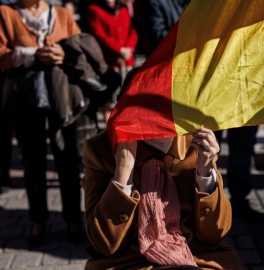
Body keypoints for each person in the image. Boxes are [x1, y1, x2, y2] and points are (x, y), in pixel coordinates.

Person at [81, 70, 243, 269]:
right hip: (129, 261)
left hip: (192, 254)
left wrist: (205, 173)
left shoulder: (194, 143)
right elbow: (104, 242)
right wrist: (123, 171)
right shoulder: (101, 149)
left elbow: (216, 233)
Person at [0, 0, 85, 247]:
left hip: (61, 99)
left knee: (67, 160)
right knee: (33, 163)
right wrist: (32, 54)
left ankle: (73, 219)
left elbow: (80, 49)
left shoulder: (60, 14)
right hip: (25, 100)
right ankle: (38, 220)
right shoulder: (6, 14)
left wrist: (63, 54)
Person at [87, 0, 137, 122]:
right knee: (110, 100)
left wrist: (128, 49)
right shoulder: (94, 10)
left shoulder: (124, 9)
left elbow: (133, 31)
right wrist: (119, 50)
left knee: (128, 97)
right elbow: (99, 35)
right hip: (109, 62)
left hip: (127, 61)